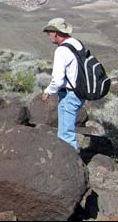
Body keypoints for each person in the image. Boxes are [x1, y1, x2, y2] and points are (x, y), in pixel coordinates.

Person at [41, 18, 86, 150]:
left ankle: (71, 165)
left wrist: (48, 91)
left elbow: (58, 80)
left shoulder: (61, 50)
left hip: (70, 94)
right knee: (68, 131)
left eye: (49, 33)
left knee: (66, 135)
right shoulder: (77, 44)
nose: (49, 36)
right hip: (81, 91)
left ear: (55, 33)